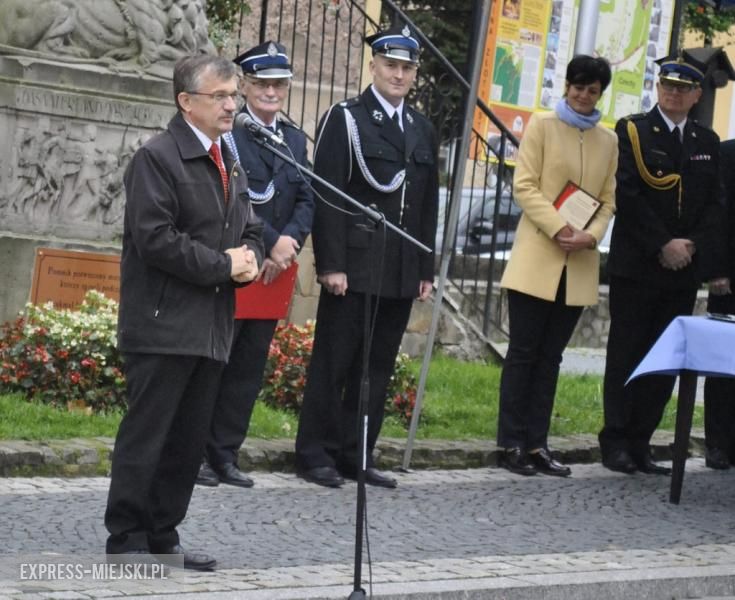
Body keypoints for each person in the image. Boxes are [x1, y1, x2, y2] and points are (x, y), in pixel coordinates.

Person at [104, 55, 264, 570]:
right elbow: (155, 239)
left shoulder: (228, 158)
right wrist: (223, 264)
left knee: (187, 442)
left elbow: (250, 225)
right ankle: (126, 537)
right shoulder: (158, 158)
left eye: (233, 95)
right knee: (148, 436)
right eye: (219, 95)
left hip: (212, 326)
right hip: (162, 324)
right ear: (185, 101)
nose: (230, 104)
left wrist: (252, 257)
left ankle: (163, 535)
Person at [294, 24, 438, 489]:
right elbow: (328, 194)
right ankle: (314, 453)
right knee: (334, 362)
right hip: (354, 265)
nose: (398, 74)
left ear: (415, 73)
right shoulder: (347, 119)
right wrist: (331, 264)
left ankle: (356, 453)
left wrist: (424, 268)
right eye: (390, 65)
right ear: (373, 66)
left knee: (377, 366)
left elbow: (427, 206)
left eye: (406, 67)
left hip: (398, 267)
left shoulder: (420, 128)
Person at [196, 41, 314, 488]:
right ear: (243, 86)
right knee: (216, 365)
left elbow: (307, 197)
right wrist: (269, 244)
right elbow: (233, 197)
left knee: (248, 369)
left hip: (276, 269)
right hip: (242, 262)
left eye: (278, 84)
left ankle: (226, 453)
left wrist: (291, 242)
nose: (271, 92)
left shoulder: (294, 139)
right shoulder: (229, 133)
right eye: (262, 83)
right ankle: (197, 454)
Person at [599, 55, 722, 475]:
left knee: (664, 358)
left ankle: (641, 441)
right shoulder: (633, 130)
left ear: (696, 96)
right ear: (658, 88)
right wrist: (662, 245)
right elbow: (628, 196)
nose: (674, 93)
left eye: (683, 89)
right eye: (668, 86)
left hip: (682, 269)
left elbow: (715, 205)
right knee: (627, 354)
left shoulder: (707, 142)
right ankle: (616, 439)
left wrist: (690, 245)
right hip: (638, 265)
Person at [496, 55, 617, 477]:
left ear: (601, 93)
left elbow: (608, 199)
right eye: (578, 87)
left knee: (551, 358)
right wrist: (559, 225)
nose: (583, 96)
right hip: (538, 256)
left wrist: (593, 235)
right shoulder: (543, 127)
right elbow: (524, 185)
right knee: (524, 354)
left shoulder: (609, 140)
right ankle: (510, 441)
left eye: (592, 90)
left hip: (579, 260)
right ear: (566, 86)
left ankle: (537, 443)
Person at [702, 138, 735, 470]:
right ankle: (718, 444)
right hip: (730, 279)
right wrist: (718, 269)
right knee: (724, 363)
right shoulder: (726, 153)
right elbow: (716, 215)